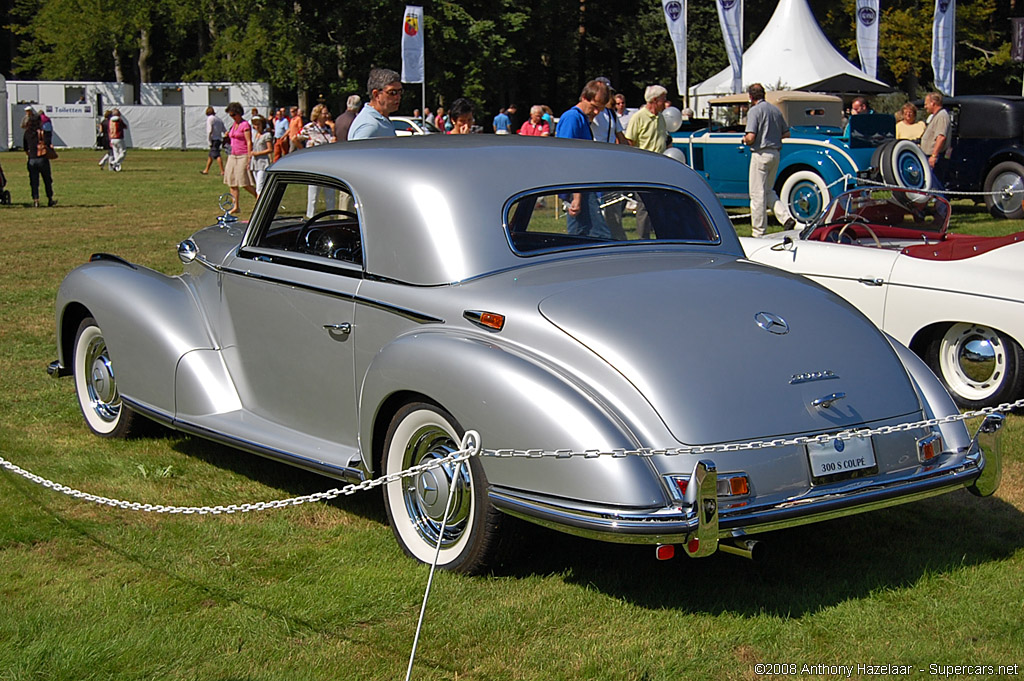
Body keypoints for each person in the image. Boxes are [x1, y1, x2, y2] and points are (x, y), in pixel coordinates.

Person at [555, 80, 612, 239]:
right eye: (594, 107)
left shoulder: (582, 120)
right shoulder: (573, 118)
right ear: (583, 97)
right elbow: (569, 158)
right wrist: (577, 196)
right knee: (601, 237)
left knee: (580, 238)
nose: (595, 112)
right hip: (579, 190)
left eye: (599, 110)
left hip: (582, 188)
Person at [742, 83, 794, 237]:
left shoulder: (754, 111)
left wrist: (744, 140)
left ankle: (758, 232)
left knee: (757, 194)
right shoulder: (775, 111)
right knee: (768, 191)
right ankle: (785, 218)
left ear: (751, 97)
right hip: (775, 153)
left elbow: (751, 137)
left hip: (760, 153)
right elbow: (786, 134)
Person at [625, 85, 671, 239]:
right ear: (654, 100)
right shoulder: (638, 117)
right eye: (663, 99)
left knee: (660, 204)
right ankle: (643, 239)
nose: (665, 103)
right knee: (644, 205)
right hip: (643, 168)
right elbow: (629, 142)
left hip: (661, 168)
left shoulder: (661, 118)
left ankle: (661, 237)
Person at [348, 68, 402, 140]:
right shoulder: (369, 126)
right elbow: (357, 151)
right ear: (376, 95)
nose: (398, 97)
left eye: (400, 92)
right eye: (392, 92)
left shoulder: (381, 120)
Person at [223, 102, 257, 215]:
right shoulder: (233, 125)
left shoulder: (245, 125)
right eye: (230, 115)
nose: (232, 117)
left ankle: (258, 197)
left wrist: (249, 156)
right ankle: (235, 206)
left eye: (233, 114)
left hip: (243, 155)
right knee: (232, 182)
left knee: (244, 182)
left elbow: (248, 141)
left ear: (238, 113)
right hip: (232, 155)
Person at [21, 109, 56, 207]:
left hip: (32, 159)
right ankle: (50, 198)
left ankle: (36, 200)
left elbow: (25, 148)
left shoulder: (27, 133)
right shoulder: (42, 132)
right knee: (47, 180)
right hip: (42, 159)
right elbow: (48, 143)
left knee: (34, 181)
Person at [921, 92, 952, 187]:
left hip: (935, 156)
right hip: (930, 155)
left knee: (936, 183)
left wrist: (934, 156)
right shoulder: (936, 116)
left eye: (926, 104)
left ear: (933, 103)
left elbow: (941, 137)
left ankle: (941, 201)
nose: (925, 107)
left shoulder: (942, 116)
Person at [591, 78, 628, 145]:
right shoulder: (591, 111)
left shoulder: (611, 113)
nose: (608, 95)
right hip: (594, 151)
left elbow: (621, 137)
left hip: (610, 152)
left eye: (609, 92)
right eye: (605, 92)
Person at [249, 116, 274, 197]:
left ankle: (259, 207)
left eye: (258, 124)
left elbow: (270, 149)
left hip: (263, 163)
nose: (257, 127)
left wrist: (258, 153)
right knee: (258, 186)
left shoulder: (266, 135)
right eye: (255, 125)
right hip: (255, 163)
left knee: (259, 187)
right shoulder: (255, 135)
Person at [202, 106, 226, 175]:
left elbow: (209, 130)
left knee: (217, 155)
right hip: (218, 138)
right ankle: (206, 170)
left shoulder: (210, 119)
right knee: (211, 155)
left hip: (214, 139)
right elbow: (224, 129)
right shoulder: (219, 119)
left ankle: (222, 171)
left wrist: (209, 140)